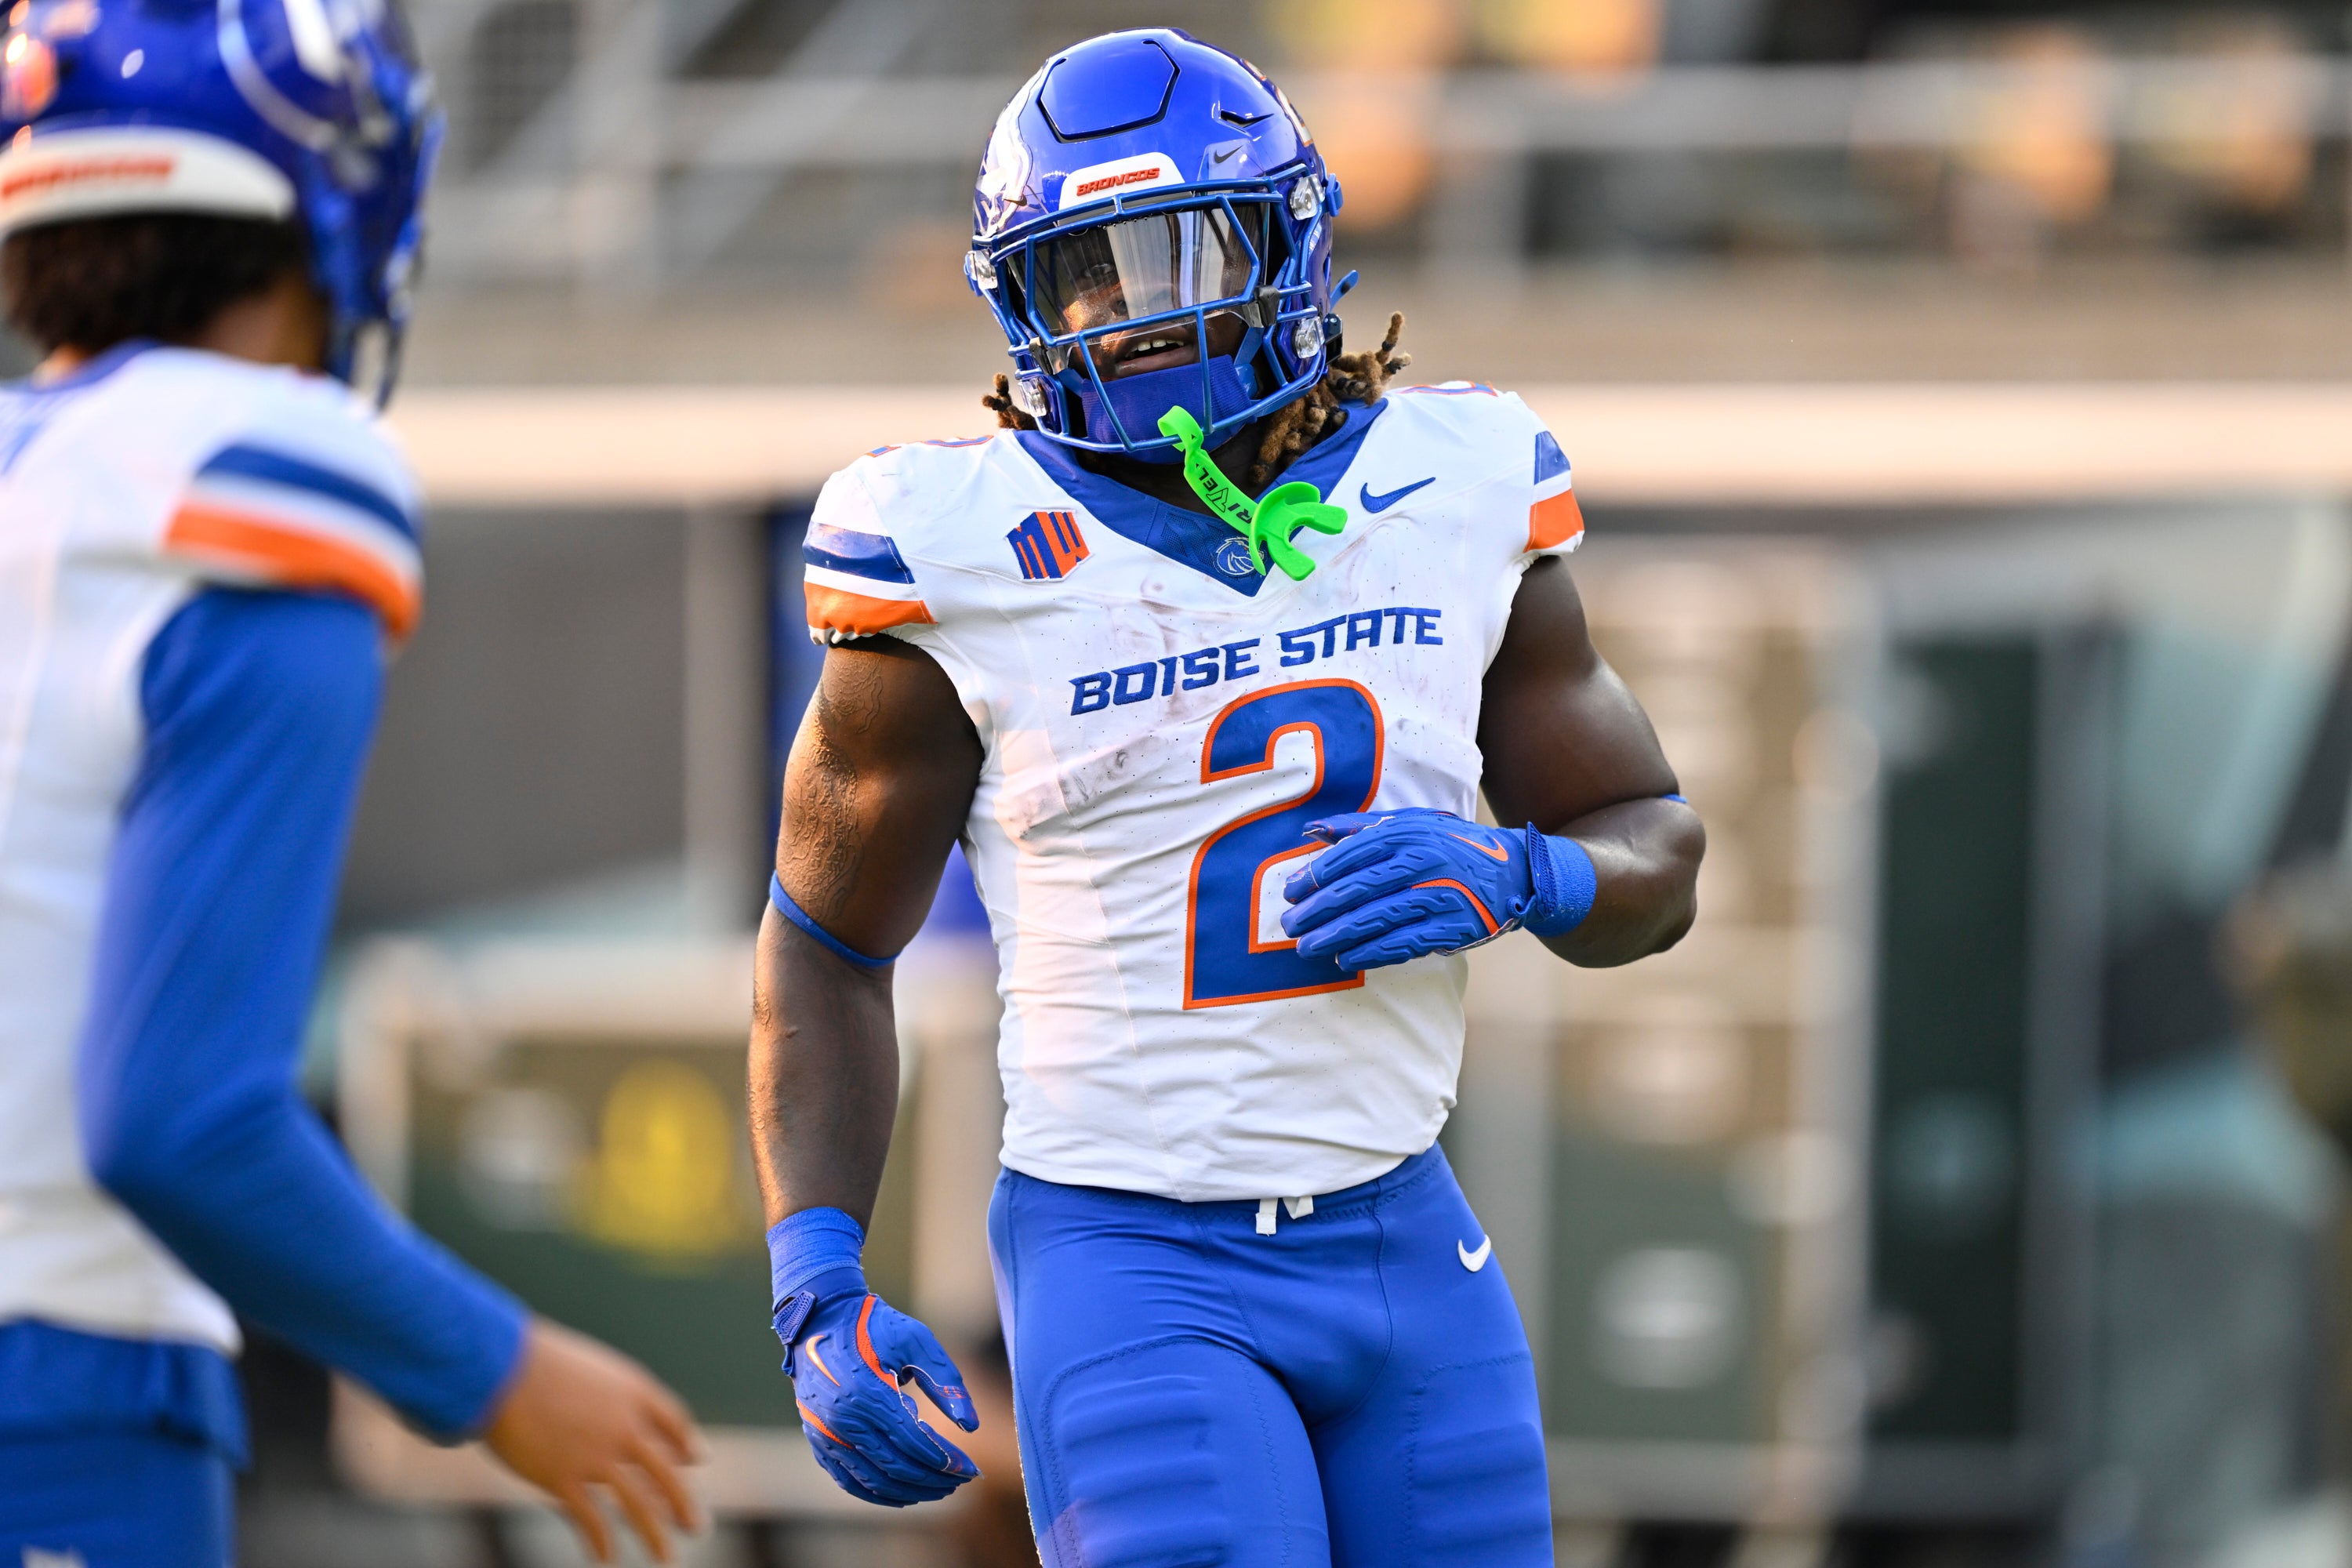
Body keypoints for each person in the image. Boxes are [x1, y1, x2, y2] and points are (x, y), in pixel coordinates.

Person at [749, 27, 1702, 1566]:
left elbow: (1660, 847)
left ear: (1293, 242)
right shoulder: (950, 549)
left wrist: (1530, 875)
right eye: (1091, 275)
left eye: (1185, 249)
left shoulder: (1459, 488)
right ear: (1022, 302)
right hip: (1132, 1255)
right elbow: (821, 944)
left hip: (1404, 1232)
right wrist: (816, 1275)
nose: (1141, 314)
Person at [0, 3, 699, 1563]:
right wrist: (498, 1366)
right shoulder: (249, 471)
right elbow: (176, 1115)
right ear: (316, 202)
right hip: (55, 1390)